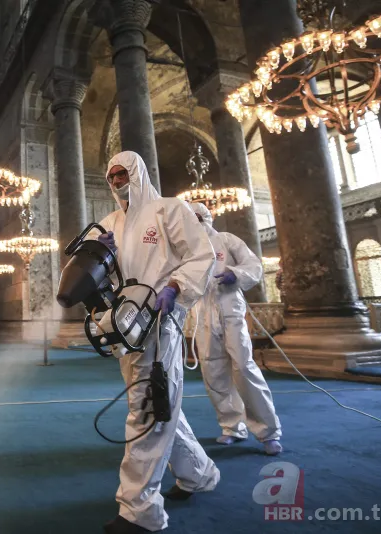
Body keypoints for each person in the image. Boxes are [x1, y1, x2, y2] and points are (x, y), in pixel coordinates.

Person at [98, 151, 220, 534]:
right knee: (160, 403)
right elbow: (104, 279)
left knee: (147, 409)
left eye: (123, 175)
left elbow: (201, 256)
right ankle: (199, 473)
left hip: (163, 322)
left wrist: (175, 287)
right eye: (112, 177)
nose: (118, 182)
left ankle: (139, 509)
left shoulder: (169, 210)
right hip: (128, 327)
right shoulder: (109, 224)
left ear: (137, 174)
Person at [188, 202, 283, 456]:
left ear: (206, 217)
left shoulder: (227, 240)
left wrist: (234, 273)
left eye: (196, 216)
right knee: (213, 370)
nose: (193, 222)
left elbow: (254, 266)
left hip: (229, 308)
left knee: (243, 366)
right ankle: (231, 426)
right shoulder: (185, 249)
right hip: (202, 314)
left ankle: (268, 431)